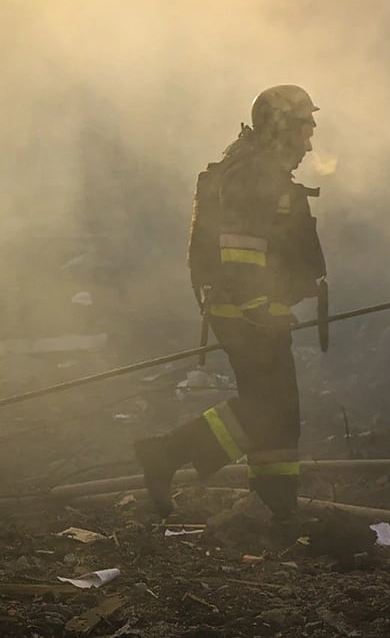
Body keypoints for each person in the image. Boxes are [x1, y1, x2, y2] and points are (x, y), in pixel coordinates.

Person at [134, 85, 326, 524]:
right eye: (303, 130)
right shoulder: (256, 173)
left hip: (252, 309)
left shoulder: (258, 169)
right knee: (270, 408)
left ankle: (276, 504)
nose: (309, 144)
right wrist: (260, 305)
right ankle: (167, 454)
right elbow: (238, 248)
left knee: (277, 410)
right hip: (245, 312)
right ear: (280, 128)